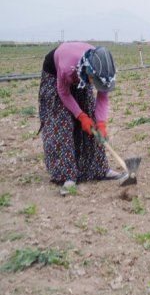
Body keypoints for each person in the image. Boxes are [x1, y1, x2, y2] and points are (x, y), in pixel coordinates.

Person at [38, 42, 123, 195]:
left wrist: (101, 124)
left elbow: (102, 96)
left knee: (92, 123)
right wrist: (80, 115)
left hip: (81, 74)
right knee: (61, 122)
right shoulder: (67, 68)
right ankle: (67, 176)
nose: (96, 84)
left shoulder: (101, 69)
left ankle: (99, 169)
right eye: (94, 81)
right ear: (89, 72)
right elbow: (64, 93)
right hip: (55, 74)